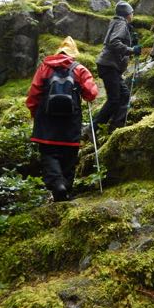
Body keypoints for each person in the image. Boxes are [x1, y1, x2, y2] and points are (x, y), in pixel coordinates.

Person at [26, 36, 98, 201]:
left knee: (48, 154)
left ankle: (57, 184)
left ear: (58, 51)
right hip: (70, 121)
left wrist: (35, 113)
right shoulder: (80, 69)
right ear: (73, 54)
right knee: (69, 156)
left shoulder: (44, 68)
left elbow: (34, 94)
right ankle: (66, 190)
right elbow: (91, 94)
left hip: (46, 120)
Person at [87, 0, 141, 134]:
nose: (132, 15)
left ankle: (116, 126)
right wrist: (131, 50)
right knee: (114, 99)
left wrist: (131, 43)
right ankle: (93, 128)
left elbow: (116, 41)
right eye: (132, 13)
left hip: (110, 66)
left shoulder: (118, 23)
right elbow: (114, 42)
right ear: (127, 13)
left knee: (124, 95)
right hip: (109, 66)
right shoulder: (121, 23)